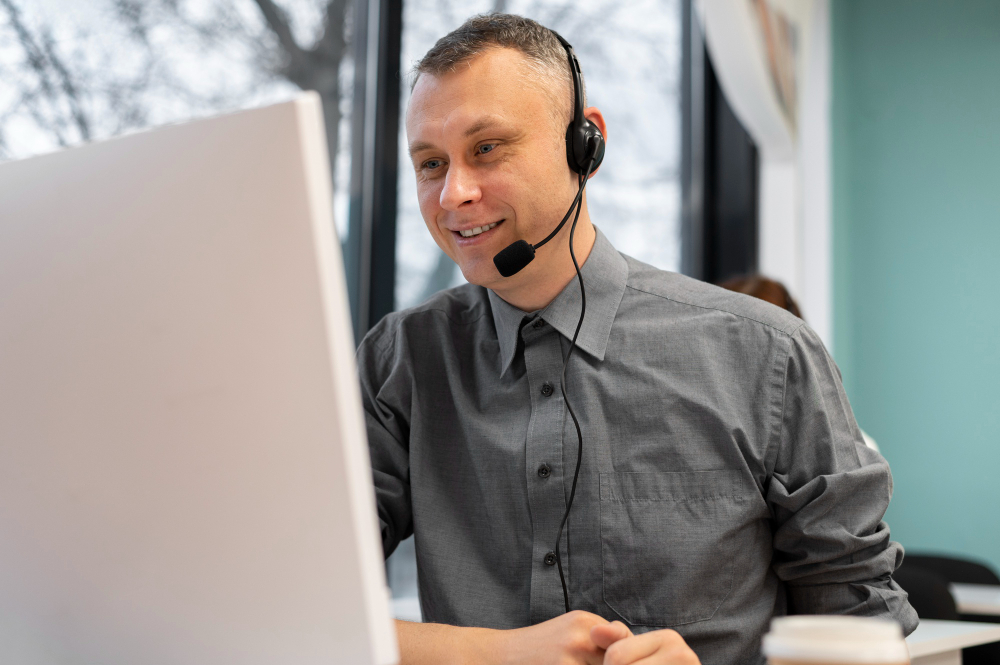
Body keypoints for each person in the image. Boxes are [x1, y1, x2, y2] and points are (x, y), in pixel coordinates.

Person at [358, 13, 917, 665]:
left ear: (583, 144)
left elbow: (863, 634)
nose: (454, 193)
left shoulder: (767, 354)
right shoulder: (400, 358)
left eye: (486, 148)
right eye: (430, 163)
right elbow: (308, 612)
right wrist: (503, 652)